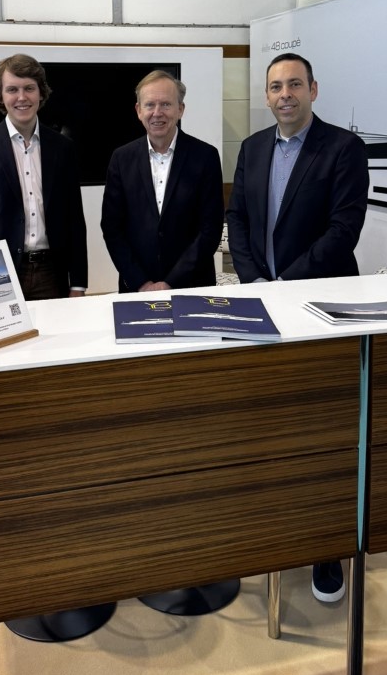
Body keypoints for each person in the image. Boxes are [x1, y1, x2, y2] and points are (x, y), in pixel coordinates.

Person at [226, 51, 369, 603]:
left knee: (325, 431)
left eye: (293, 84)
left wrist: (287, 281)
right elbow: (238, 219)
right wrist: (255, 281)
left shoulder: (343, 148)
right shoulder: (253, 147)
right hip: (262, 301)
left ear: (313, 89)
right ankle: (271, 525)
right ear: (266, 95)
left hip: (319, 305)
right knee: (268, 424)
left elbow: (344, 229)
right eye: (275, 86)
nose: (284, 94)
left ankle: (326, 546)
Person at [0, 53, 87, 301]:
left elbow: (74, 220)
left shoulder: (62, 148)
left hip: (51, 272)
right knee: (4, 330)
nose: (22, 97)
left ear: (41, 93)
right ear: (1, 95)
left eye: (29, 88)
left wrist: (78, 283)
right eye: (12, 89)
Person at [101, 70, 224, 293]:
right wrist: (141, 282)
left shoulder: (205, 157)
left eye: (166, 104)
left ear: (180, 109)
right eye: (150, 105)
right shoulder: (121, 159)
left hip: (192, 286)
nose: (157, 113)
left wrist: (171, 283)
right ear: (139, 111)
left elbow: (210, 229)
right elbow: (112, 228)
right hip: (136, 287)